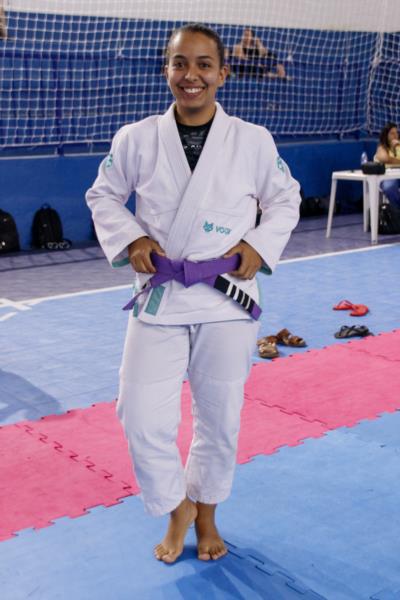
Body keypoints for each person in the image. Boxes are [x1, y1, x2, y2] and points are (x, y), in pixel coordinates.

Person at [86, 23, 300, 564]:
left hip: (227, 297)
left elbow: (285, 199)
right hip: (159, 295)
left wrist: (259, 244)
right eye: (180, 63)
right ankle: (176, 503)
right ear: (167, 70)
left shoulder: (253, 140)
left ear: (222, 73)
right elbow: (103, 195)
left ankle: (206, 513)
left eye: (204, 64)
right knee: (138, 415)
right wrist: (131, 236)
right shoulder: (136, 138)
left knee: (219, 418)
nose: (191, 75)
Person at [374, 122, 400, 208]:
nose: (395, 135)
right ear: (386, 135)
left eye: (396, 132)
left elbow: (390, 160)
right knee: (389, 187)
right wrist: (393, 148)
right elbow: (385, 159)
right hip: (388, 176)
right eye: (392, 133)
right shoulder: (382, 147)